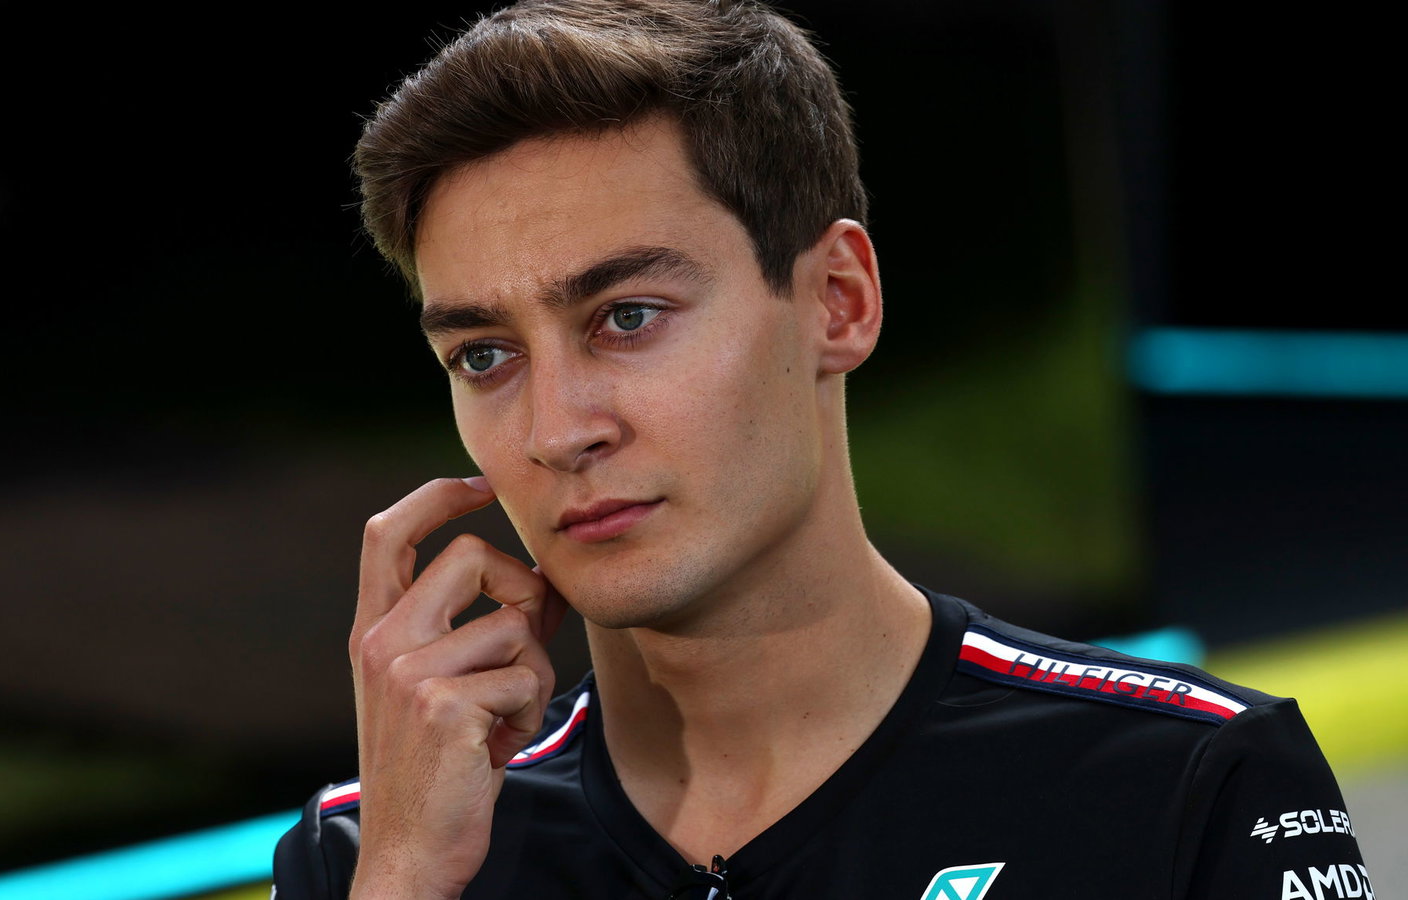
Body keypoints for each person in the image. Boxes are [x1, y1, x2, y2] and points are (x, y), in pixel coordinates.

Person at [275, 2, 1370, 897]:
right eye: (484, 356)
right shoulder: (366, 857)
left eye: (628, 317)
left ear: (837, 302)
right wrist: (405, 876)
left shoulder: (1189, 785)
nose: (557, 431)